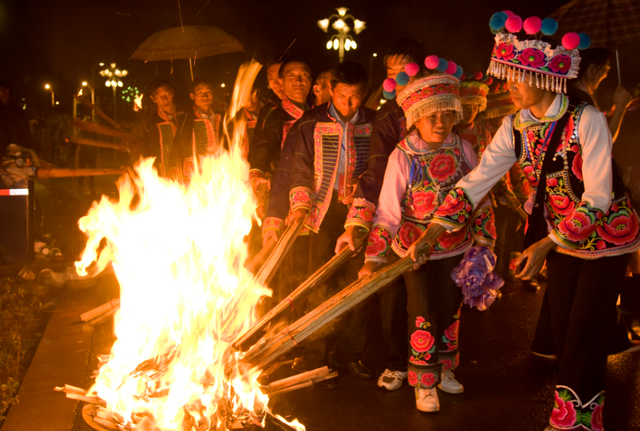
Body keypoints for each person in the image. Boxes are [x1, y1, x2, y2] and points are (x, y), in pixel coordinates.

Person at [410, 15, 640, 429]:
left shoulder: (587, 118)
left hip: (606, 237)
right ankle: (573, 416)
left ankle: (579, 422)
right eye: (507, 76)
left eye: (516, 76)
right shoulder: (514, 126)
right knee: (566, 329)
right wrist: (432, 231)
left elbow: (599, 198)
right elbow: (476, 181)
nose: (509, 85)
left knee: (585, 331)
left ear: (544, 76)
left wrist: (545, 244)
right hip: (562, 237)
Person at [358, 72, 495, 412]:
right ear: (415, 118)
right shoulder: (401, 155)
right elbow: (388, 213)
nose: (440, 122)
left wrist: (485, 242)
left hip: (457, 246)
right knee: (420, 313)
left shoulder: (463, 148)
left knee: (450, 308)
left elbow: (480, 196)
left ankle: (445, 368)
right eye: (431, 116)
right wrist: (373, 258)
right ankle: (423, 381)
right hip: (414, 249)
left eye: (447, 114)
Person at [336, 38, 427, 392]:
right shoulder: (390, 115)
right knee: (392, 297)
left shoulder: (446, 104)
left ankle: (438, 365)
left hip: (440, 219)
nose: (395, 77)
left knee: (436, 296)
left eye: (402, 69)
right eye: (389, 72)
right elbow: (375, 169)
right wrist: (358, 221)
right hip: (396, 217)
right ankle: (395, 362)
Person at [286, 61, 376, 386]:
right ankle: (314, 358)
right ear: (330, 92)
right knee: (318, 285)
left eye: (354, 98)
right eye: (341, 97)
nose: (348, 106)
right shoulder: (310, 121)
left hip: (360, 214)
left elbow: (379, 166)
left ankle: (351, 353)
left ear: (363, 94)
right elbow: (299, 167)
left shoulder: (374, 122)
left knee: (358, 283)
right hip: (321, 214)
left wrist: (361, 184)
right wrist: (299, 206)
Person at [249, 58, 312, 219]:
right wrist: (257, 172)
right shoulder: (274, 114)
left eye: (303, 76)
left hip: (315, 194)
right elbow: (264, 146)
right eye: (291, 77)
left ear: (311, 82)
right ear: (282, 82)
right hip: (284, 191)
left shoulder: (318, 113)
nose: (298, 81)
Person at [569, 48, 633, 142]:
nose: (606, 74)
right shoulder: (582, 100)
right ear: (592, 68)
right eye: (606, 67)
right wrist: (620, 107)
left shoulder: (574, 93)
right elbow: (604, 141)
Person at [174, 78, 224, 180]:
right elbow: (178, 145)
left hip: (219, 169)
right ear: (192, 96)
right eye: (200, 93)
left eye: (208, 92)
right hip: (195, 173)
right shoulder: (187, 118)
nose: (205, 96)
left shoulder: (220, 116)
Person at [143, 78, 185, 177]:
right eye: (159, 96)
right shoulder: (151, 125)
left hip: (190, 170)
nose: (165, 99)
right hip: (166, 173)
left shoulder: (186, 115)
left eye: (167, 94)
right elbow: (150, 154)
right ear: (153, 99)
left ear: (172, 93)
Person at [0, 80, 32, 156]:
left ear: (7, 91)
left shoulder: (17, 110)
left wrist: (26, 147)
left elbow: (24, 130)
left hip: (15, 150)